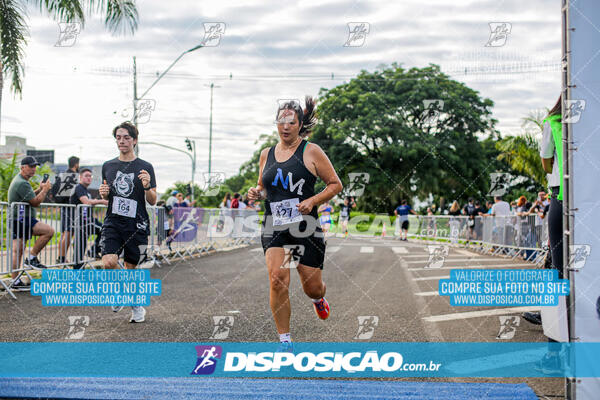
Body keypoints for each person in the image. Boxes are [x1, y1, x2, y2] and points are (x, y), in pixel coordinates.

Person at [246, 96, 342, 352]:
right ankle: (285, 340)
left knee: (311, 286)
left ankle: (319, 298)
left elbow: (335, 185)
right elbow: (265, 188)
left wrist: (312, 201)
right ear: (276, 123)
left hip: (306, 227)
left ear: (300, 124)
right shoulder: (266, 154)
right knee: (277, 278)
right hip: (275, 224)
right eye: (281, 121)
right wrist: (257, 193)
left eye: (291, 122)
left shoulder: (311, 151)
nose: (285, 126)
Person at [99, 121, 157, 323]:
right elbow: (108, 195)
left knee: (131, 270)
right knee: (109, 262)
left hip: (136, 223)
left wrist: (148, 186)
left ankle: (136, 308)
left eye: (126, 137)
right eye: (118, 137)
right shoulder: (108, 166)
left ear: (135, 140)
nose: (122, 141)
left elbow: (152, 200)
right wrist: (104, 194)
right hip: (113, 221)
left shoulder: (145, 167)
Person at [525, 96, 564, 372]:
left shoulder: (554, 121)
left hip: (563, 197)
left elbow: (547, 164)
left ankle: (555, 355)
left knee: (556, 273)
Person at [8, 156, 54, 291]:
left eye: (35, 166)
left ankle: (14, 280)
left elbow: (29, 197)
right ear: (22, 167)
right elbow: (35, 202)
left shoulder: (20, 180)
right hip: (22, 219)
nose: (34, 169)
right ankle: (32, 258)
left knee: (18, 251)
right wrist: (45, 190)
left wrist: (39, 189)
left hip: (18, 219)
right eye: (30, 166)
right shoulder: (22, 183)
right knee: (49, 231)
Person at [71, 168, 108, 268]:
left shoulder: (86, 190)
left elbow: (89, 201)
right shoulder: (79, 188)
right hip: (82, 221)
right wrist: (102, 201)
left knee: (104, 230)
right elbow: (86, 202)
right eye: (86, 176)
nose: (89, 178)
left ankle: (91, 252)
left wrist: (95, 201)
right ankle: (92, 251)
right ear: (80, 177)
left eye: (90, 176)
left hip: (88, 220)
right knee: (104, 230)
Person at [56, 156, 80, 265]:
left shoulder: (63, 174)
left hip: (64, 207)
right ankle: (61, 258)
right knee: (68, 233)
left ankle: (61, 257)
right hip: (69, 208)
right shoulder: (72, 176)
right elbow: (70, 194)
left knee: (64, 233)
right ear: (76, 164)